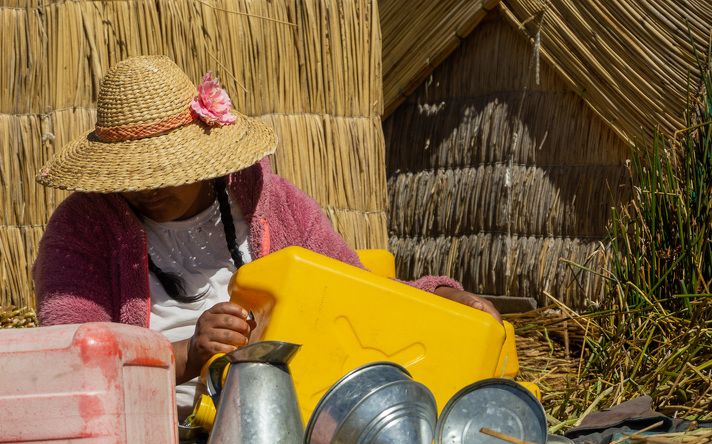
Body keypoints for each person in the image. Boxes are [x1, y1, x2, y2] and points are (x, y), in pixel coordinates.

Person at [34, 55, 500, 418]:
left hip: (288, 416)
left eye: (161, 171)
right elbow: (75, 356)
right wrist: (188, 354)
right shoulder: (82, 227)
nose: (147, 187)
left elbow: (356, 291)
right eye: (131, 174)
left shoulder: (268, 203)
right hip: (154, 435)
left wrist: (441, 298)